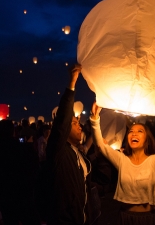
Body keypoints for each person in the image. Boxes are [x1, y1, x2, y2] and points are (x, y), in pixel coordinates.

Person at [89, 95, 155, 225]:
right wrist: (95, 119)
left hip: (149, 219)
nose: (134, 133)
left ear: (147, 140)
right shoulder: (122, 160)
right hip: (125, 218)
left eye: (140, 131)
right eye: (131, 131)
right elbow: (100, 144)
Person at [45, 64, 97, 225]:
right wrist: (72, 84)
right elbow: (61, 121)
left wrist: (96, 120)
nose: (79, 125)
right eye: (74, 123)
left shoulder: (78, 153)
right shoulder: (58, 151)